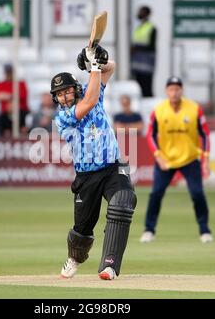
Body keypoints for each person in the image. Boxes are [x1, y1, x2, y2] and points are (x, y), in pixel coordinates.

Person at [51, 45, 137, 281]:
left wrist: (97, 60)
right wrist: (94, 68)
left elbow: (112, 68)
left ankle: (109, 266)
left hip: (112, 167)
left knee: (123, 202)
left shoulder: (91, 89)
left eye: (67, 91)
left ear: (75, 89)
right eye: (59, 94)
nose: (64, 97)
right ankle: (74, 258)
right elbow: (88, 103)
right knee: (82, 231)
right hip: (86, 176)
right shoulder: (63, 118)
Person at [140, 77, 213, 244]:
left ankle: (204, 230)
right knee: (156, 194)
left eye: (177, 89)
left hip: (190, 158)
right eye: (171, 89)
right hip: (166, 160)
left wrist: (205, 159)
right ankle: (149, 230)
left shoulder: (194, 109)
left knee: (197, 194)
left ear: (182, 90)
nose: (174, 92)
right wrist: (158, 156)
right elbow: (150, 134)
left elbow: (205, 134)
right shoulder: (158, 110)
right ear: (167, 91)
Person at [0, 64, 29, 137]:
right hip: (5, 114)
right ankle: (4, 137)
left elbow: (23, 95)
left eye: (10, 72)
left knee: (22, 117)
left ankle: (22, 134)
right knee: (2, 118)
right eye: (7, 73)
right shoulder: (1, 85)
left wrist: (9, 96)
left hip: (21, 112)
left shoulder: (20, 84)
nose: (9, 75)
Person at [131, 6, 157, 97]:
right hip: (137, 63)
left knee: (147, 86)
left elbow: (151, 46)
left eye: (141, 12)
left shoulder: (151, 28)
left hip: (146, 64)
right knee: (138, 86)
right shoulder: (139, 27)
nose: (139, 14)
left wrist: (137, 48)